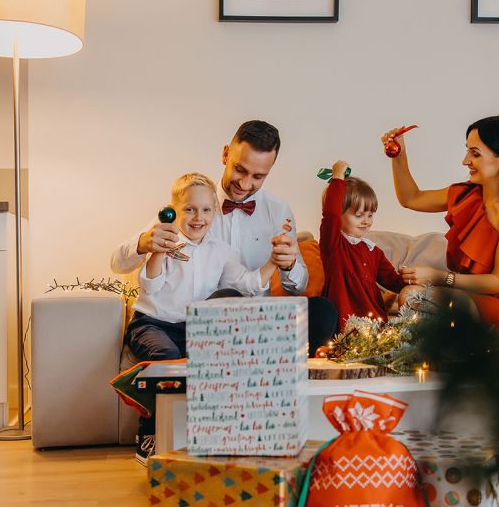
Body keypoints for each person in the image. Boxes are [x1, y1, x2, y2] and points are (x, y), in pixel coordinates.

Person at [111, 120, 338, 351]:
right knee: (228, 296)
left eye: (258, 176)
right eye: (240, 169)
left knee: (322, 311)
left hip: (257, 323)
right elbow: (118, 263)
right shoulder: (193, 202)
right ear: (225, 154)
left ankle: (262, 356)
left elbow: (297, 288)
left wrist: (288, 265)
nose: (245, 183)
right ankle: (244, 358)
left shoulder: (279, 211)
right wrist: (143, 243)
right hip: (207, 325)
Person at [384, 116, 499, 338]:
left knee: (414, 296)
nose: (465, 161)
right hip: (466, 296)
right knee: (410, 295)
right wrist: (399, 155)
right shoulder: (465, 194)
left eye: (475, 154)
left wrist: (437, 277)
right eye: (467, 151)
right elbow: (411, 198)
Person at [125, 172, 277, 363]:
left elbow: (247, 284)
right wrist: (158, 251)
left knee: (222, 345)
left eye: (206, 210)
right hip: (153, 324)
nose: (199, 217)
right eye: (190, 209)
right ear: (174, 211)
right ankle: (156, 389)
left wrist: (274, 261)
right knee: (168, 355)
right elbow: (151, 287)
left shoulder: (221, 251)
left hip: (193, 329)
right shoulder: (165, 240)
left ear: (215, 211)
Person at [318, 159, 405, 330]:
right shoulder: (334, 244)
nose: (366, 221)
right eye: (358, 215)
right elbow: (330, 216)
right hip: (344, 327)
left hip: (374, 325)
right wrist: (337, 178)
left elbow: (393, 281)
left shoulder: (374, 251)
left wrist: (412, 278)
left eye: (370, 215)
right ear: (340, 215)